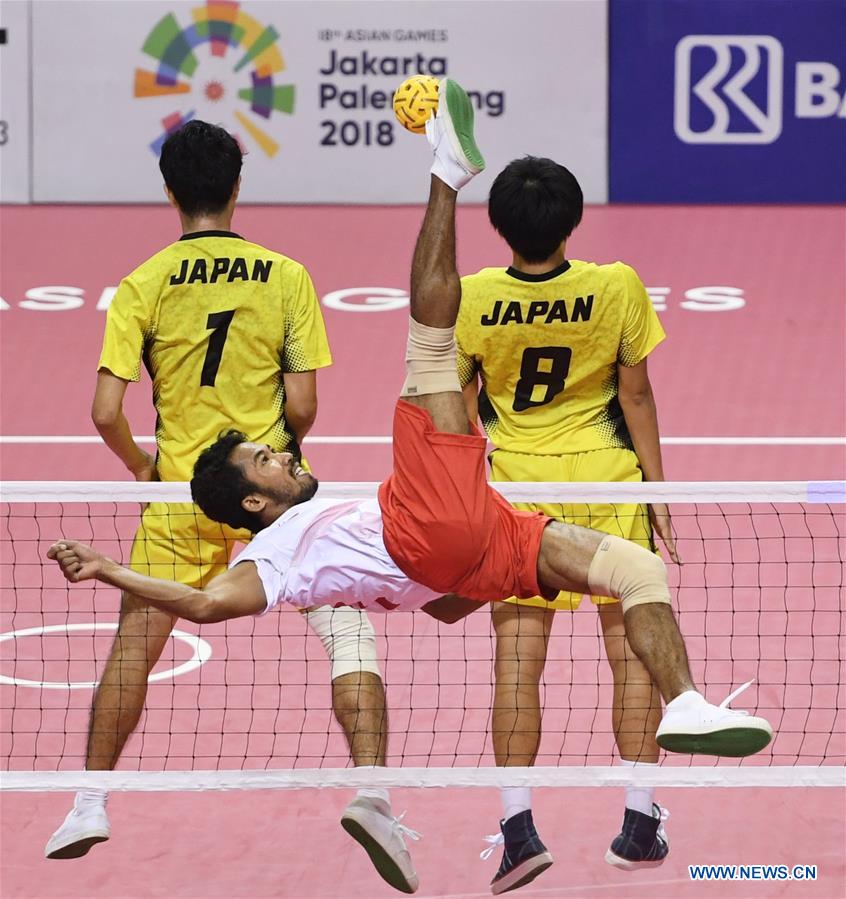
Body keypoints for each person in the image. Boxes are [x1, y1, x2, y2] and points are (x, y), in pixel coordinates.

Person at [48, 81, 773, 897]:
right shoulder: (287, 530)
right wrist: (110, 563)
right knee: (426, 347)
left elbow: (434, 597)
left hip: (470, 540)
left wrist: (143, 498)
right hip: (459, 514)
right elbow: (300, 428)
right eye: (264, 461)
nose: (277, 455)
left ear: (169, 189)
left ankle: (570, 785)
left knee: (598, 601)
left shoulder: (153, 293)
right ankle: (444, 174)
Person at [45, 120, 399, 892]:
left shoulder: (142, 283)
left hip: (180, 496)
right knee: (348, 633)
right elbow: (303, 403)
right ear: (239, 187)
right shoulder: (286, 275)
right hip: (275, 497)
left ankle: (88, 802)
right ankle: (373, 791)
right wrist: (285, 455)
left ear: (169, 190)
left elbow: (106, 409)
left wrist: (144, 465)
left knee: (132, 648)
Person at [456, 156, 675, 876]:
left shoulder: (475, 297)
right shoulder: (615, 285)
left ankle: (519, 829)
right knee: (632, 657)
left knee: (517, 665)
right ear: (572, 219)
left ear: (499, 226)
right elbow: (635, 397)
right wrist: (658, 492)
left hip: (522, 498)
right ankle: (639, 822)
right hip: (611, 487)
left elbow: (458, 412)